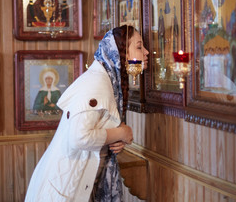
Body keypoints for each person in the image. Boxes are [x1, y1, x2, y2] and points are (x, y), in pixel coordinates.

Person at [25, 25, 149, 202]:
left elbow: (98, 127)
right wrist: (122, 133)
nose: (146, 52)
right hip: (63, 188)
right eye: (139, 47)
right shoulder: (97, 82)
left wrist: (115, 139)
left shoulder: (105, 79)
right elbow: (79, 137)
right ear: (120, 52)